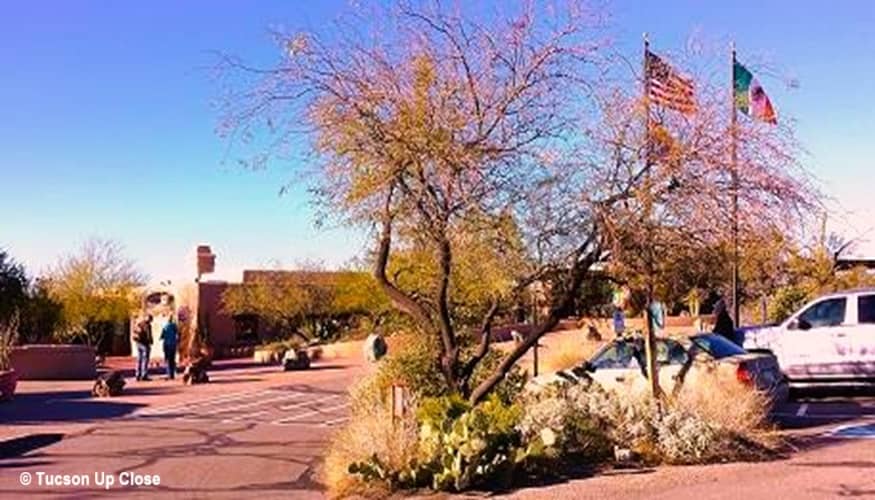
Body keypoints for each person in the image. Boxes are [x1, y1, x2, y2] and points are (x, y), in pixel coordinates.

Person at [133, 315, 153, 381]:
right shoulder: (147, 325)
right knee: (145, 359)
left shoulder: (139, 324)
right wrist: (150, 341)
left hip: (138, 343)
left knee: (139, 359)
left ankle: (137, 374)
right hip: (144, 344)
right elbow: (148, 335)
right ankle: (144, 375)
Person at [160, 316, 180, 380]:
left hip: (166, 345)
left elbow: (161, 336)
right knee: (172, 359)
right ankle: (172, 374)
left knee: (168, 359)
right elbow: (178, 334)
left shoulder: (165, 326)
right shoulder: (174, 326)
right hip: (173, 344)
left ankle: (169, 373)